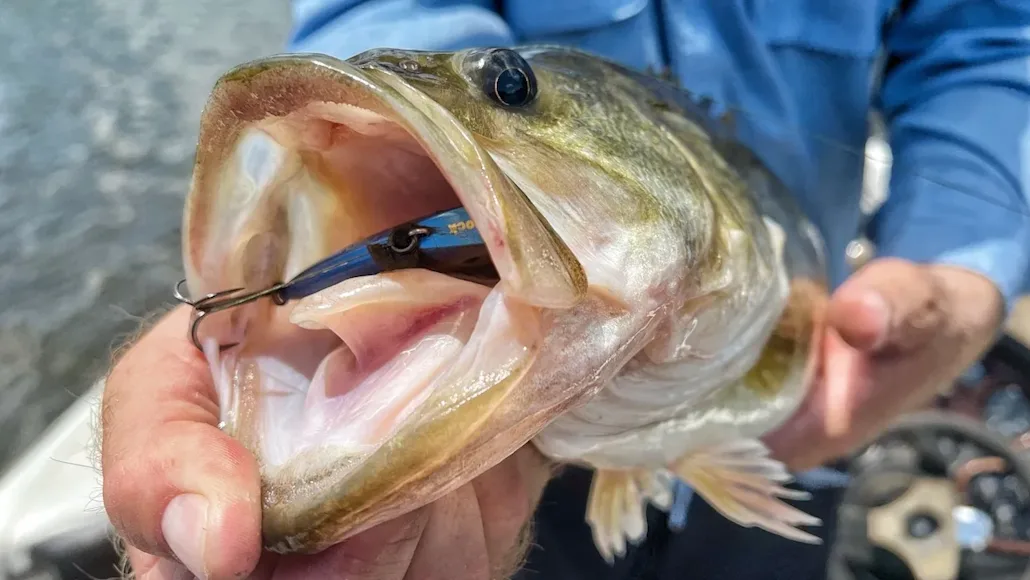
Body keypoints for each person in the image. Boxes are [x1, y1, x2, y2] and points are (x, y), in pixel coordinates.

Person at [101, 1, 1030, 579]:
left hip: (824, 405)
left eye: (509, 91)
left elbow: (990, 36)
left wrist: (962, 260)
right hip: (513, 485)